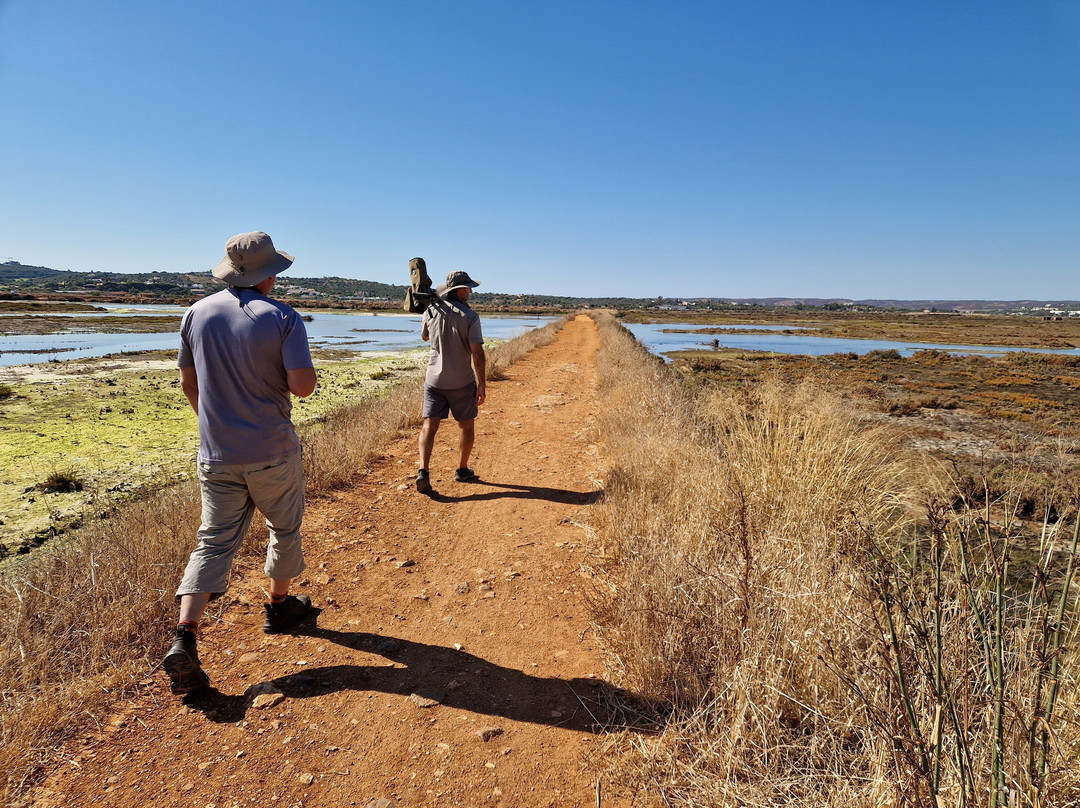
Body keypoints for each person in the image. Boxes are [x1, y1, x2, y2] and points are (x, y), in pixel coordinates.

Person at [163, 231, 318, 695]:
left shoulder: (195, 313)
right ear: (269, 274)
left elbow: (189, 383)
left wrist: (215, 425)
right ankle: (279, 606)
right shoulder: (284, 317)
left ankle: (185, 636)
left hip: (216, 453)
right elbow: (303, 387)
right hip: (271, 451)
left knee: (213, 541)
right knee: (284, 528)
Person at [416, 270, 486, 494]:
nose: (471, 292)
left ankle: (423, 471)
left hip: (434, 380)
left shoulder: (431, 310)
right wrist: (482, 384)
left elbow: (425, 336)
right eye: (468, 288)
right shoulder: (470, 316)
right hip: (461, 381)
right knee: (466, 425)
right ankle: (462, 470)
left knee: (429, 426)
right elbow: (478, 354)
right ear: (460, 290)